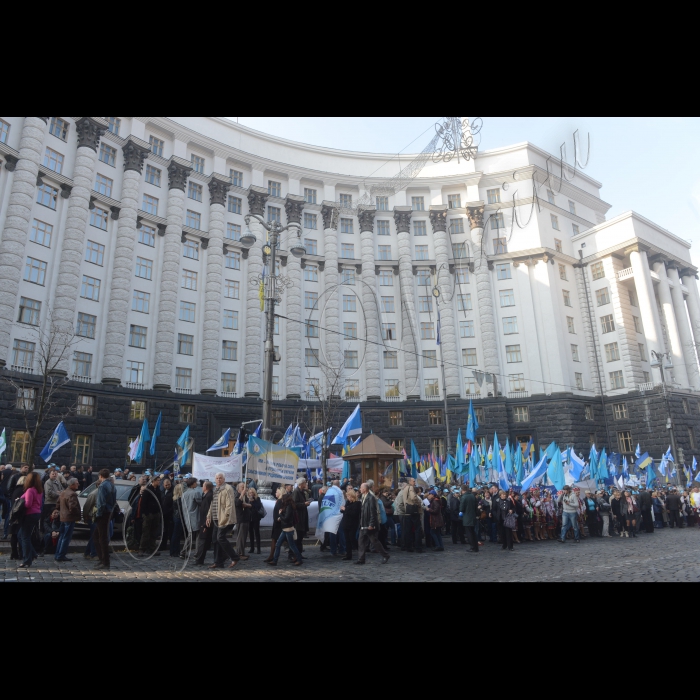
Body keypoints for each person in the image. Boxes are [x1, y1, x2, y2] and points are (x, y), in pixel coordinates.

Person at [207, 473, 240, 570]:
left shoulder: (228, 488)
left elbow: (229, 505)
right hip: (216, 518)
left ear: (224, 479)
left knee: (220, 538)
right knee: (215, 540)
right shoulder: (215, 489)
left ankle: (234, 557)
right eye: (216, 478)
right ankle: (218, 562)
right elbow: (212, 504)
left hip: (224, 518)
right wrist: (208, 516)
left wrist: (225, 517)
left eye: (220, 478)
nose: (218, 480)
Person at [355, 483, 390, 566]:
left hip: (369, 524)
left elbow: (373, 512)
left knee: (374, 541)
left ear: (365, 489)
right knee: (361, 542)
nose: (360, 489)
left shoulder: (371, 498)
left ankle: (385, 555)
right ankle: (361, 559)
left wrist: (371, 524)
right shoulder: (362, 497)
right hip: (363, 523)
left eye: (361, 487)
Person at [268, 494, 302, 567]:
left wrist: (280, 515)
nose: (282, 500)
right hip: (285, 529)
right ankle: (275, 560)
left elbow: (286, 518)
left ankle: (299, 559)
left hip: (288, 529)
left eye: (283, 499)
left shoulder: (289, 507)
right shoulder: (287, 506)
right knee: (278, 544)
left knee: (292, 545)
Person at [18, 472, 43, 569]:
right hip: (36, 513)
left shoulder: (30, 490)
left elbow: (28, 504)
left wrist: (19, 502)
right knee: (21, 535)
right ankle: (32, 553)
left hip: (29, 514)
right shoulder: (39, 490)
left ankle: (27, 560)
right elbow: (40, 503)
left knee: (25, 537)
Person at [93, 470, 116, 570]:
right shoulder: (112, 485)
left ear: (100, 476)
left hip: (104, 513)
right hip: (109, 512)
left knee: (102, 538)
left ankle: (105, 562)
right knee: (96, 537)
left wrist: (98, 514)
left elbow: (101, 503)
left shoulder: (102, 486)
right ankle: (102, 559)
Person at [54, 478, 81, 563]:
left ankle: (58, 554)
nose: (78, 484)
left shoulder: (64, 492)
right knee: (66, 537)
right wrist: (76, 514)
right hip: (69, 518)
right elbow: (72, 507)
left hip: (63, 517)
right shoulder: (72, 494)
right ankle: (61, 555)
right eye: (77, 483)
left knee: (62, 536)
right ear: (72, 484)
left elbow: (57, 505)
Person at [139, 476, 163, 556]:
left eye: (159, 480)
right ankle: (142, 549)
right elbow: (143, 503)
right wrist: (145, 513)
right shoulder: (148, 490)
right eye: (158, 480)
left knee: (154, 532)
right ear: (153, 481)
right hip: (148, 514)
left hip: (156, 513)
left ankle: (152, 549)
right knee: (146, 532)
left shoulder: (158, 490)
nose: (159, 482)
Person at [193, 481, 214, 567]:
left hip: (206, 523)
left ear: (205, 487)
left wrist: (205, 524)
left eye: (203, 486)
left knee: (203, 542)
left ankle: (199, 560)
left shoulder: (209, 496)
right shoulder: (207, 495)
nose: (202, 487)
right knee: (205, 542)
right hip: (205, 522)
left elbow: (207, 511)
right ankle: (200, 559)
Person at [401, 478, 424, 554]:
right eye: (413, 481)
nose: (415, 482)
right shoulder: (410, 487)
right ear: (410, 482)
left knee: (408, 530)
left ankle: (408, 546)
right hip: (413, 510)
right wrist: (418, 502)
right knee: (417, 529)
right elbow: (413, 497)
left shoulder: (405, 488)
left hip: (407, 511)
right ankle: (418, 547)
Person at [181, 478, 203, 557]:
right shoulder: (195, 492)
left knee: (191, 535)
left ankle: (184, 552)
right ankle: (195, 553)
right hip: (195, 516)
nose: (197, 483)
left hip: (187, 516)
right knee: (196, 535)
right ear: (192, 483)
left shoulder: (184, 493)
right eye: (195, 482)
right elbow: (201, 502)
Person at [42, 468, 67, 535]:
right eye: (53, 474)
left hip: (56, 503)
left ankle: (55, 531)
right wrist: (58, 493)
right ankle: (47, 533)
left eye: (55, 474)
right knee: (48, 519)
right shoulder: (48, 482)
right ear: (49, 475)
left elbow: (63, 490)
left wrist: (59, 493)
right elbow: (49, 493)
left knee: (56, 519)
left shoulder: (57, 482)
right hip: (49, 503)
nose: (54, 475)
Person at [265, 487, 285, 564]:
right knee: (275, 540)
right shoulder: (279, 501)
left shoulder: (280, 501)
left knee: (277, 540)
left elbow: (280, 512)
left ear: (280, 493)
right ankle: (271, 556)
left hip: (278, 524)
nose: (275, 493)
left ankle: (272, 556)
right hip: (277, 523)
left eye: (277, 492)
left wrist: (278, 518)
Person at [341, 488, 362, 562]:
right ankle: (348, 554)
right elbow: (345, 511)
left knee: (352, 538)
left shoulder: (357, 503)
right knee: (347, 540)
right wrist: (343, 509)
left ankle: (360, 551)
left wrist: (345, 510)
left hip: (353, 524)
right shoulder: (348, 503)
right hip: (346, 523)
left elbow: (354, 513)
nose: (348, 498)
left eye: (349, 496)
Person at [292, 478, 311, 557]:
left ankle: (299, 553)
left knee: (300, 537)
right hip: (298, 518)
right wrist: (304, 504)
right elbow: (294, 504)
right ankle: (295, 554)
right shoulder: (296, 492)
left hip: (302, 517)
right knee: (298, 537)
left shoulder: (302, 491)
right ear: (302, 484)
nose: (306, 484)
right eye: (305, 483)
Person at [234, 483, 252, 560]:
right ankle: (239, 553)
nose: (244, 488)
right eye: (242, 487)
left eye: (245, 487)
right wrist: (242, 495)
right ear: (238, 489)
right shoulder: (237, 495)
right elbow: (237, 503)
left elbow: (250, 504)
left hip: (246, 518)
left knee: (244, 537)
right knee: (240, 537)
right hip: (241, 519)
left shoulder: (245, 496)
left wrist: (247, 505)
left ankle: (242, 552)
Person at [460, 486, 479, 553]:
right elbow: (476, 506)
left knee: (469, 533)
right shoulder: (472, 496)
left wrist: (460, 513)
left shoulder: (464, 497)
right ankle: (476, 547)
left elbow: (461, 508)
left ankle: (472, 547)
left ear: (463, 490)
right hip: (473, 516)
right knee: (473, 533)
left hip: (467, 517)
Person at [248, 488, 264, 555]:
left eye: (252, 492)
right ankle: (252, 548)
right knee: (250, 533)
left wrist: (253, 501)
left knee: (257, 533)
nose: (251, 494)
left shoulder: (257, 499)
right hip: (249, 518)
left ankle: (258, 548)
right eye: (250, 493)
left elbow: (258, 506)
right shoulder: (247, 499)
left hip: (256, 518)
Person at [160, 479, 174, 552]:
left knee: (170, 531)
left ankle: (172, 545)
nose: (167, 486)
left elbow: (173, 504)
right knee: (164, 531)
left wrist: (169, 510)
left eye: (168, 485)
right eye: (166, 485)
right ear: (163, 485)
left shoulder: (173, 491)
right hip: (163, 514)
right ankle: (163, 545)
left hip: (170, 514)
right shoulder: (162, 491)